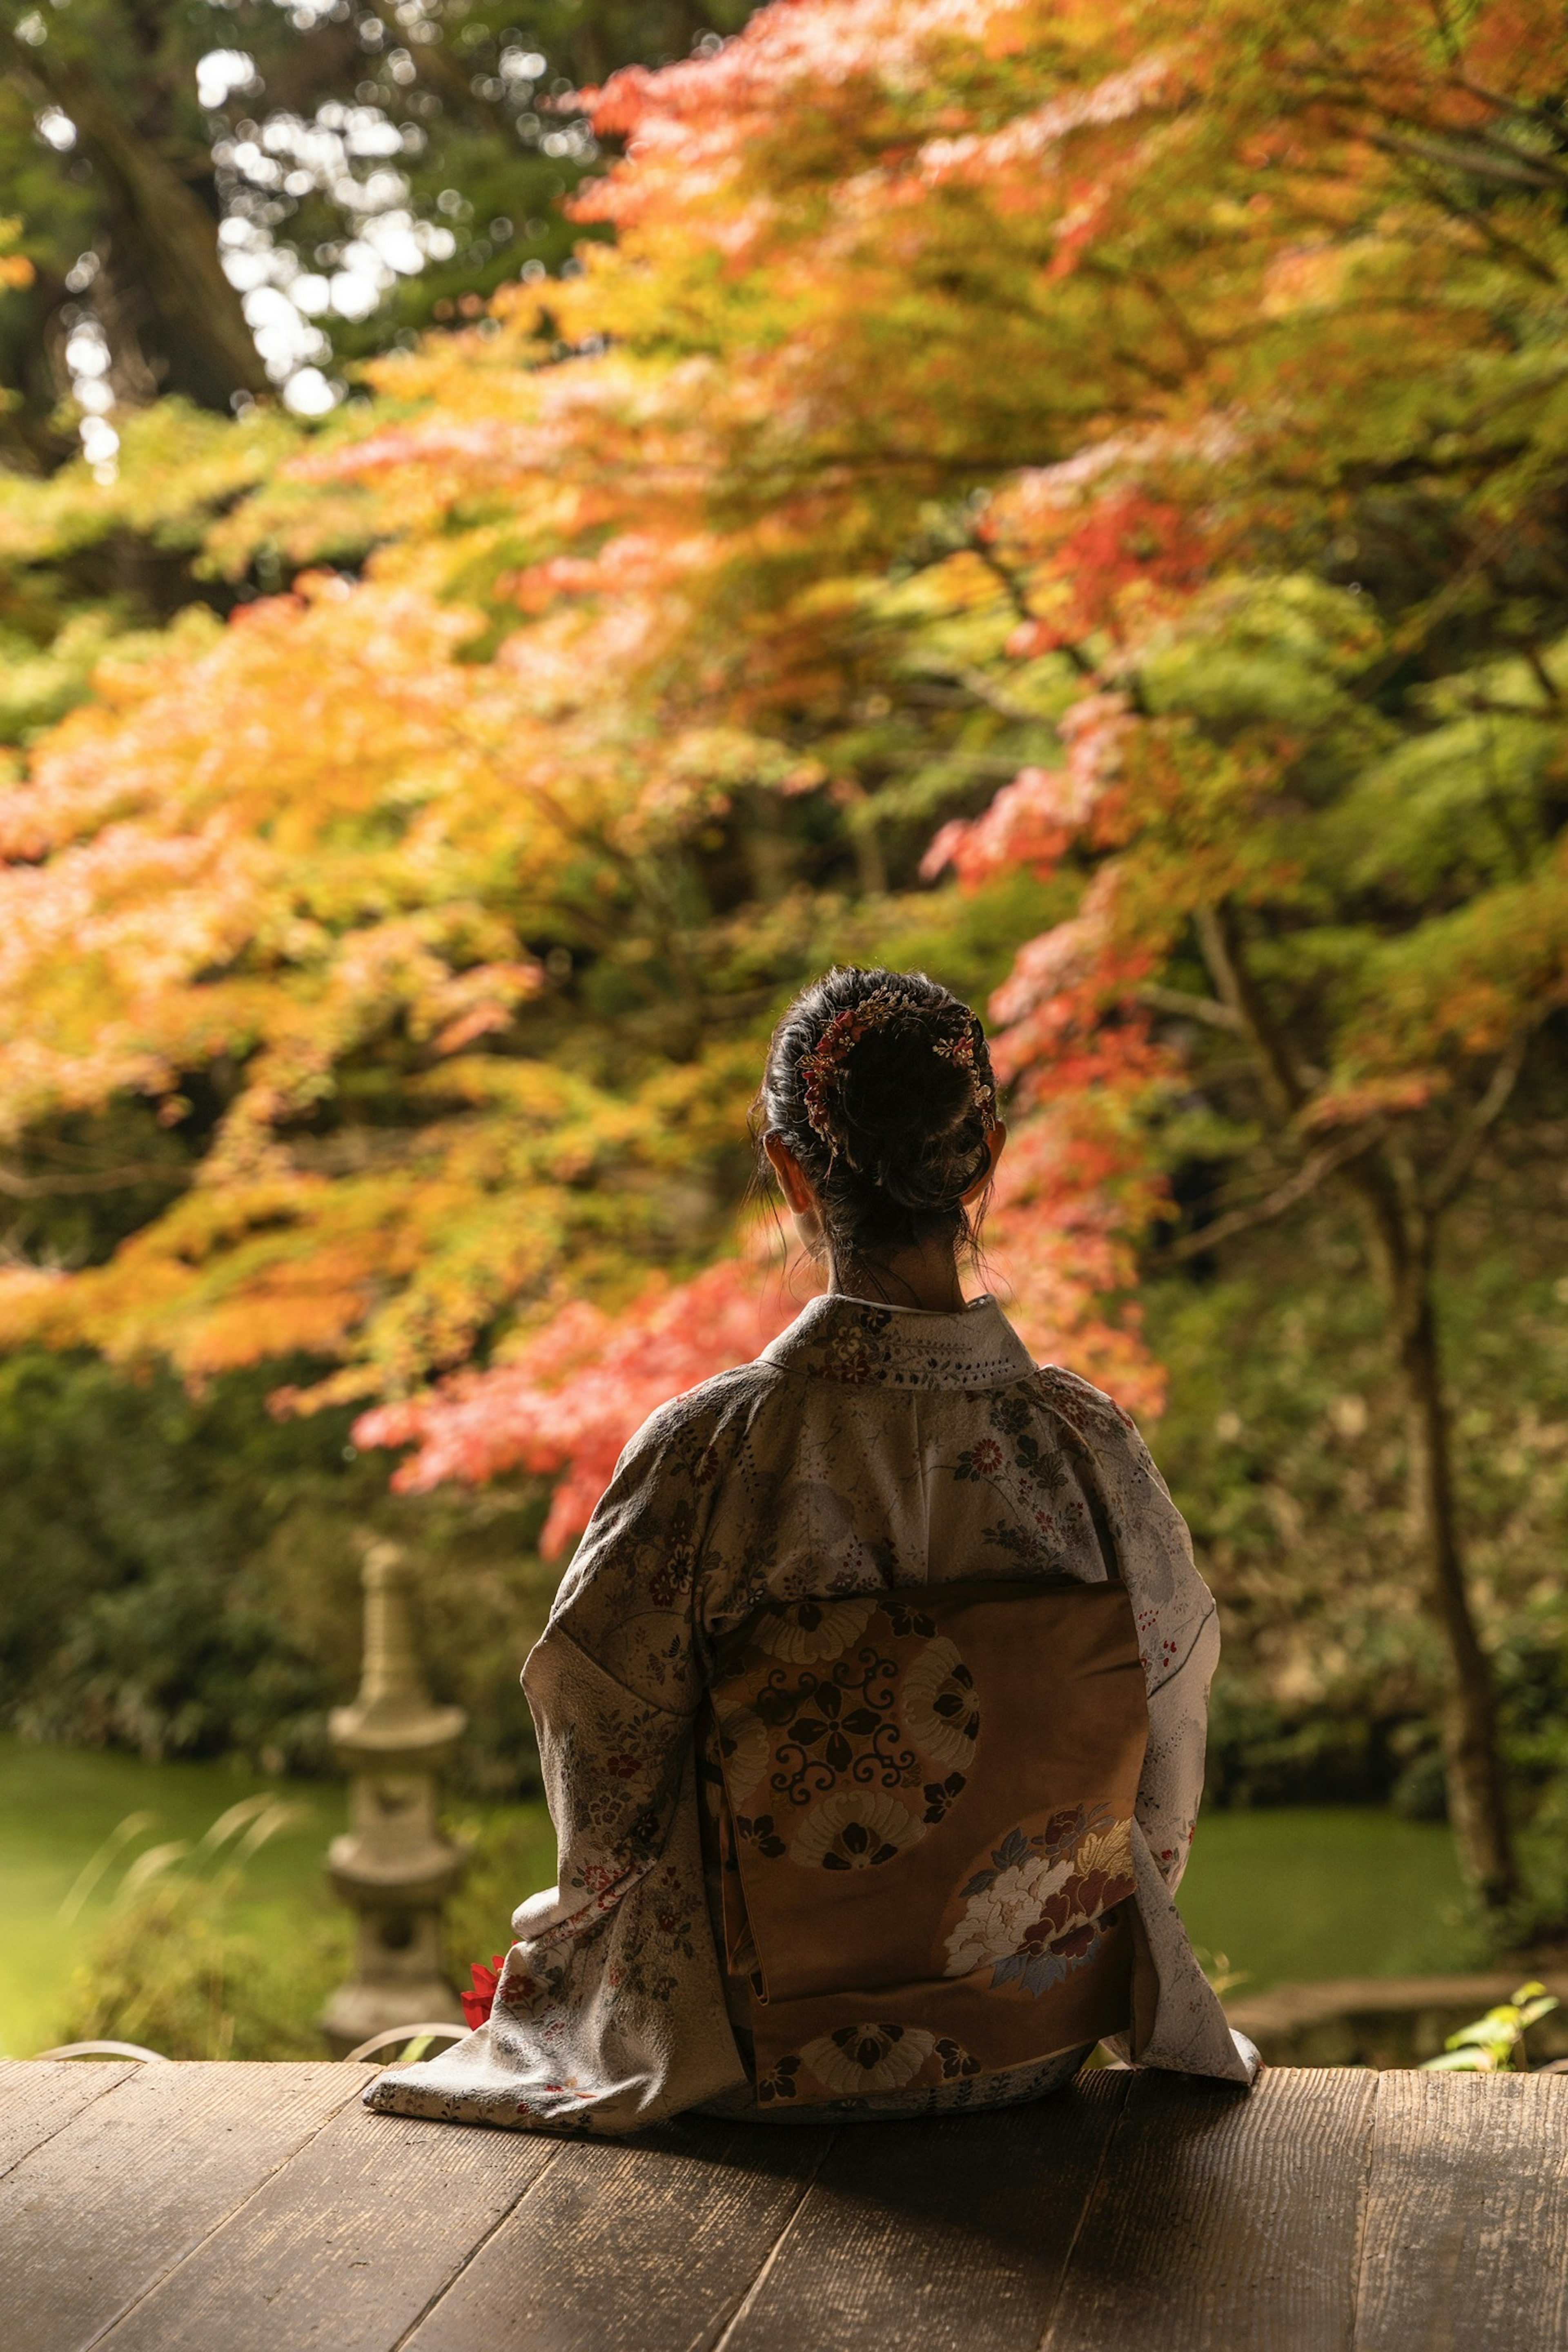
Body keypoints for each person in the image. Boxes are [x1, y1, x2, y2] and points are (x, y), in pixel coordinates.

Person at [367, 967, 1257, 2134]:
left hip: (761, 2063)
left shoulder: (708, 1454)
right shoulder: (1086, 1448)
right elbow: (1168, 1745)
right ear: (984, 1155)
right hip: (1029, 2041)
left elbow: (604, 1766)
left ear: (793, 1173)